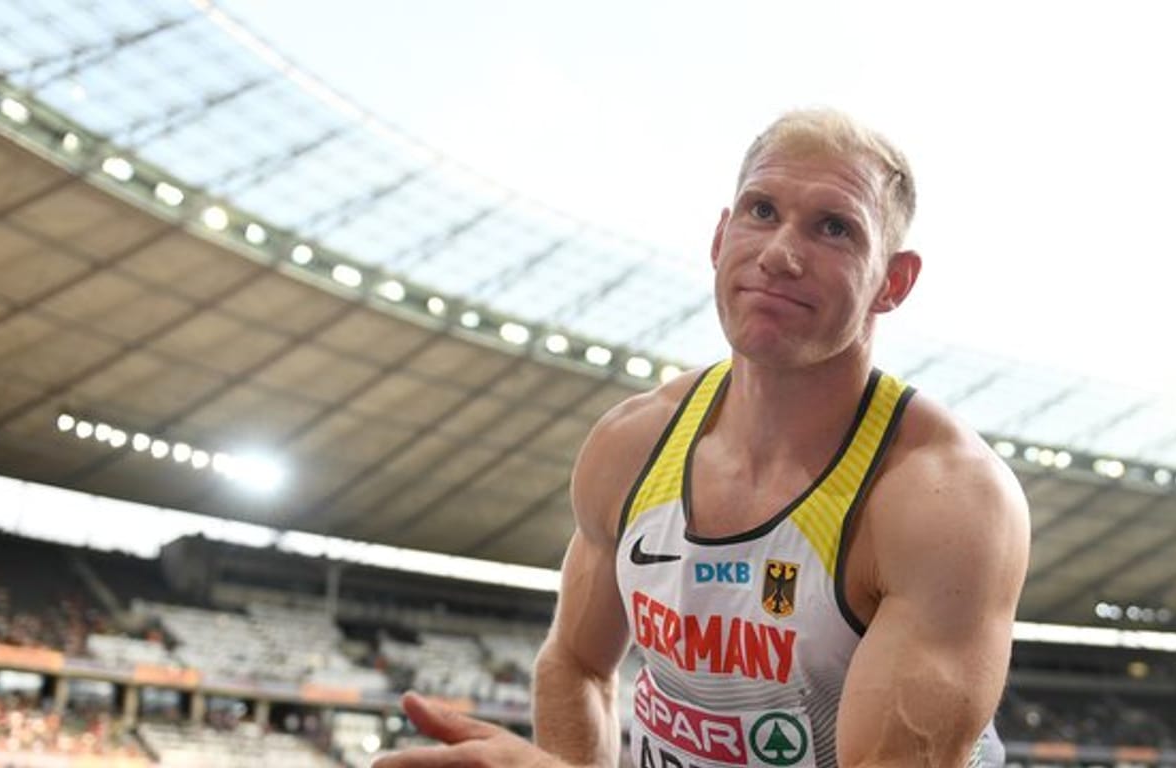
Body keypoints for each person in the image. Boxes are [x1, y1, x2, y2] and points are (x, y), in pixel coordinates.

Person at [375, 108, 1030, 767]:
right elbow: (575, 663)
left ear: (894, 281)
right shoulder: (632, 445)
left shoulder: (947, 501)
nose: (779, 254)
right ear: (720, 237)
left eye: (834, 228)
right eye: (761, 210)